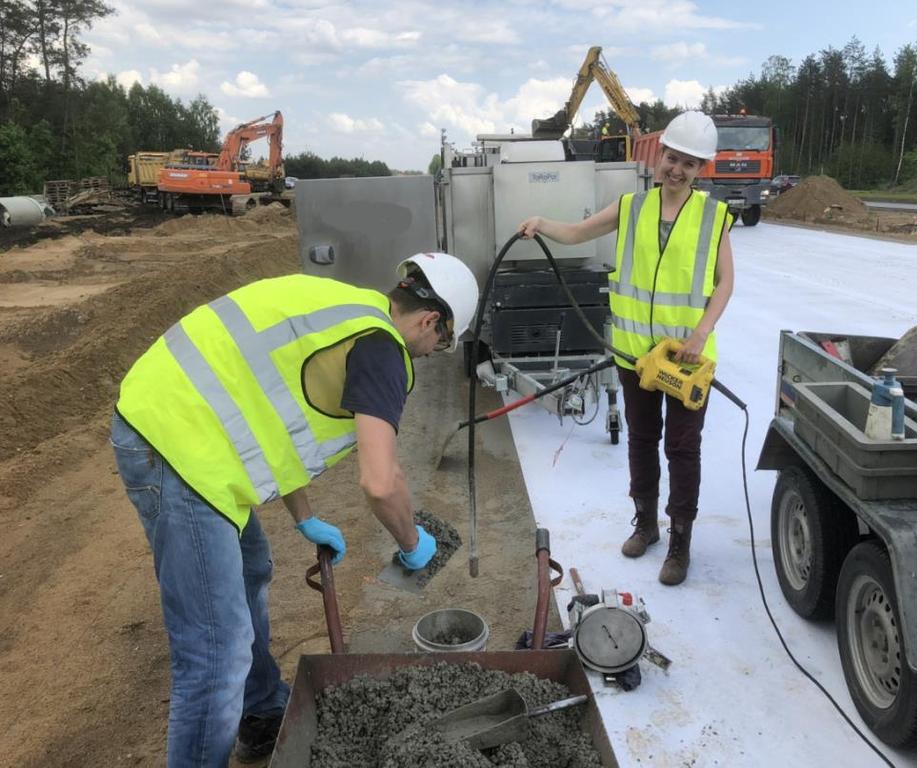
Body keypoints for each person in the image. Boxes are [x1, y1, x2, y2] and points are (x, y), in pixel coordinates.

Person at [110, 253, 479, 767]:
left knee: (253, 567)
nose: (429, 352)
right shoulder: (382, 349)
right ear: (431, 320)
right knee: (216, 653)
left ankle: (262, 713)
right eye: (438, 345)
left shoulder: (352, 311)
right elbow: (380, 480)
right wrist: (413, 545)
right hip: (177, 446)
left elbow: (272, 419)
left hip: (181, 420)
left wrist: (303, 514)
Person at [519, 111, 734, 587]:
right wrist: (542, 223)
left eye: (689, 164)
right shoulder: (631, 206)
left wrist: (700, 333)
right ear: (660, 156)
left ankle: (680, 542)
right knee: (641, 441)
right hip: (635, 355)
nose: (677, 170)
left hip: (686, 360)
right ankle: (647, 525)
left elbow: (724, 284)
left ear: (701, 170)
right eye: (672, 158)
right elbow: (578, 233)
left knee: (683, 448)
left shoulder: (714, 217)